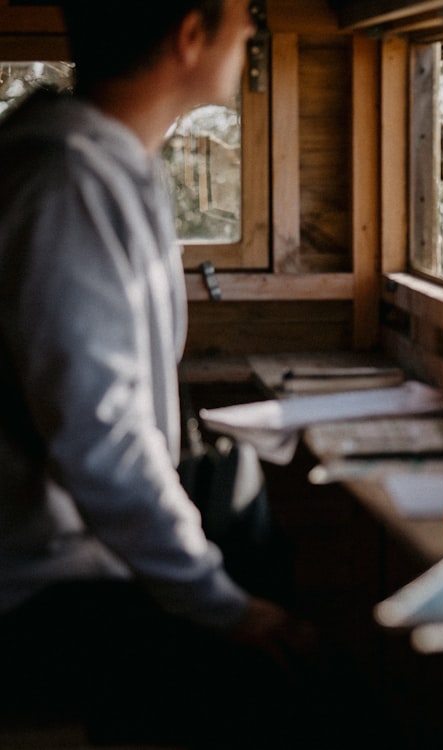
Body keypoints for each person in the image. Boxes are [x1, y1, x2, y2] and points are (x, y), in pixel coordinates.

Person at [0, 1, 325, 746]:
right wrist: (222, 605)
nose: (252, 31)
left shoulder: (112, 162)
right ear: (189, 34)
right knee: (292, 676)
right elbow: (99, 435)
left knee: (247, 516)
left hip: (73, 552)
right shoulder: (62, 183)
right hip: (35, 588)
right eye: (245, 15)